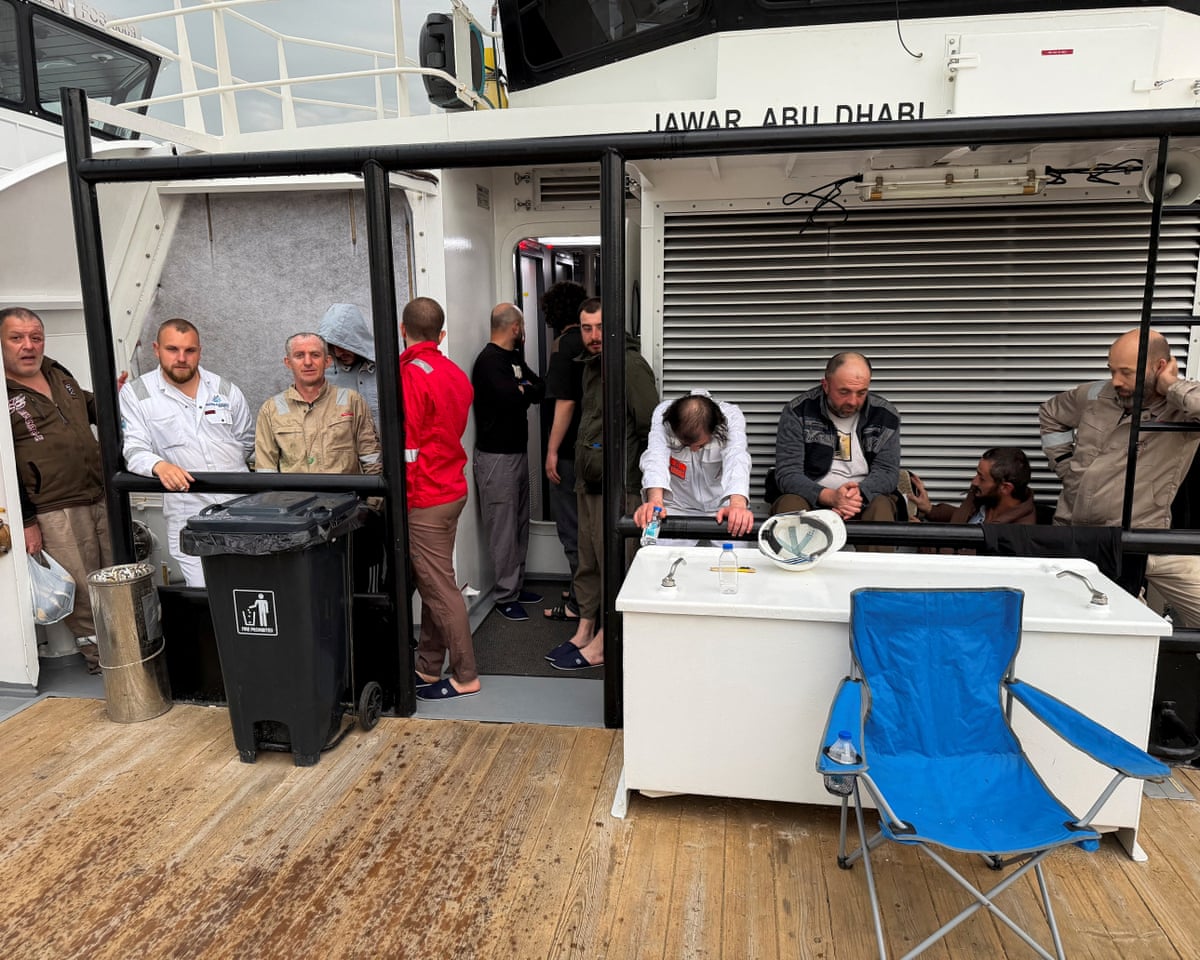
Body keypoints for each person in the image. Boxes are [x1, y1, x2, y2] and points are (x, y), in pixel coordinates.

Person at [1040, 328, 1200, 626]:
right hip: (1079, 536)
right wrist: (1064, 466)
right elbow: (1051, 413)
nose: (1116, 381)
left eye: (1126, 372)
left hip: (1147, 540)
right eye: (1112, 370)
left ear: (1160, 367)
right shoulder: (1096, 394)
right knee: (1094, 628)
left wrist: (1172, 386)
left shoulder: (1181, 407)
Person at [545, 299, 659, 671]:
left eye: (599, 327)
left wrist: (641, 483)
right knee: (589, 561)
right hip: (589, 479)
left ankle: (606, 643)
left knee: (614, 564)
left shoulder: (628, 364)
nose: (594, 336)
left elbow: (650, 426)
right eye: (586, 328)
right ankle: (585, 628)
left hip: (618, 484)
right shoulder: (591, 365)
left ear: (614, 326)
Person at [2, 306, 110, 672]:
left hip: (99, 494)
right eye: (16, 338)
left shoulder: (57, 372)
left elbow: (91, 407)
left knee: (114, 577)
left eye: (36, 337)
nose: (28, 346)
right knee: (80, 590)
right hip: (53, 508)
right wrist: (26, 520)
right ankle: (101, 661)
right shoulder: (2, 393)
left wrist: (119, 396)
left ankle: (130, 649)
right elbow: (3, 469)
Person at [120, 318, 254, 587]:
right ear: (156, 349)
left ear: (200, 351)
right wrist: (160, 466)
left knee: (249, 589)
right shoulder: (137, 394)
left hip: (241, 508)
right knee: (207, 594)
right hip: (188, 513)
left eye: (189, 350)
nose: (181, 358)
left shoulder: (224, 389)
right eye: (172, 349)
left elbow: (247, 441)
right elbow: (133, 448)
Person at [399, 297, 480, 700]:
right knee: (435, 581)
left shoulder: (411, 375)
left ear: (402, 331)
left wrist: (404, 499)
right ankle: (428, 667)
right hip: (451, 491)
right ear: (441, 334)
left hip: (425, 497)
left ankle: (465, 675)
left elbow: (409, 445)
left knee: (439, 590)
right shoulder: (454, 372)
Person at [471, 302, 546, 621]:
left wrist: (523, 388)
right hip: (495, 458)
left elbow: (538, 389)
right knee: (502, 527)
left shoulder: (513, 358)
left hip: (516, 452)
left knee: (518, 523)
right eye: (523, 326)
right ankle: (504, 595)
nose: (524, 331)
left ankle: (515, 585)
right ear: (515, 327)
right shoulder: (489, 362)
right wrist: (522, 389)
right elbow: (509, 398)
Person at [772, 352, 902, 526]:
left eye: (861, 393)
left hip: (864, 498)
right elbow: (788, 474)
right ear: (825, 385)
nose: (853, 402)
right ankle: (797, 555)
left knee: (881, 507)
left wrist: (857, 495)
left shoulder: (885, 415)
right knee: (789, 505)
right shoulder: (798, 412)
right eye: (844, 392)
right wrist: (831, 497)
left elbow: (887, 472)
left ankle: (876, 555)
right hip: (813, 498)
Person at [254, 332, 381, 476]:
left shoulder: (352, 401)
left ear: (327, 361)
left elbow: (372, 459)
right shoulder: (271, 410)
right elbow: (266, 470)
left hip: (344, 497)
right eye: (299, 355)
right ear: (288, 363)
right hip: (294, 498)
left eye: (315, 355)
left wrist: (372, 499)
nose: (308, 362)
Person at [632, 390, 755, 539]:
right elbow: (656, 457)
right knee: (660, 554)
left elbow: (737, 458)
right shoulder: (663, 413)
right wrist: (655, 502)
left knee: (734, 555)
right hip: (677, 506)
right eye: (685, 444)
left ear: (715, 428)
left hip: (722, 505)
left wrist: (737, 505)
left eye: (701, 445)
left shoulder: (732, 417)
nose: (693, 450)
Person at [541, 280, 589, 622]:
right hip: (592, 450)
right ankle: (579, 591)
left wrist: (551, 450)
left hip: (571, 453)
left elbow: (565, 402)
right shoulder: (591, 345)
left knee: (571, 530)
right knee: (587, 528)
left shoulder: (563, 346)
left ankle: (578, 604)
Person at [907, 447, 1037, 526]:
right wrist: (930, 509)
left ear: (1005, 488)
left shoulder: (1014, 534)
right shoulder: (984, 502)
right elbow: (963, 519)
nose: (974, 482)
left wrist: (922, 537)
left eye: (982, 478)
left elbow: (960, 560)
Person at [318, 303, 380, 427]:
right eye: (332, 346)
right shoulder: (324, 376)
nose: (338, 353)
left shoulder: (387, 368)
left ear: (356, 339)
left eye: (343, 346)